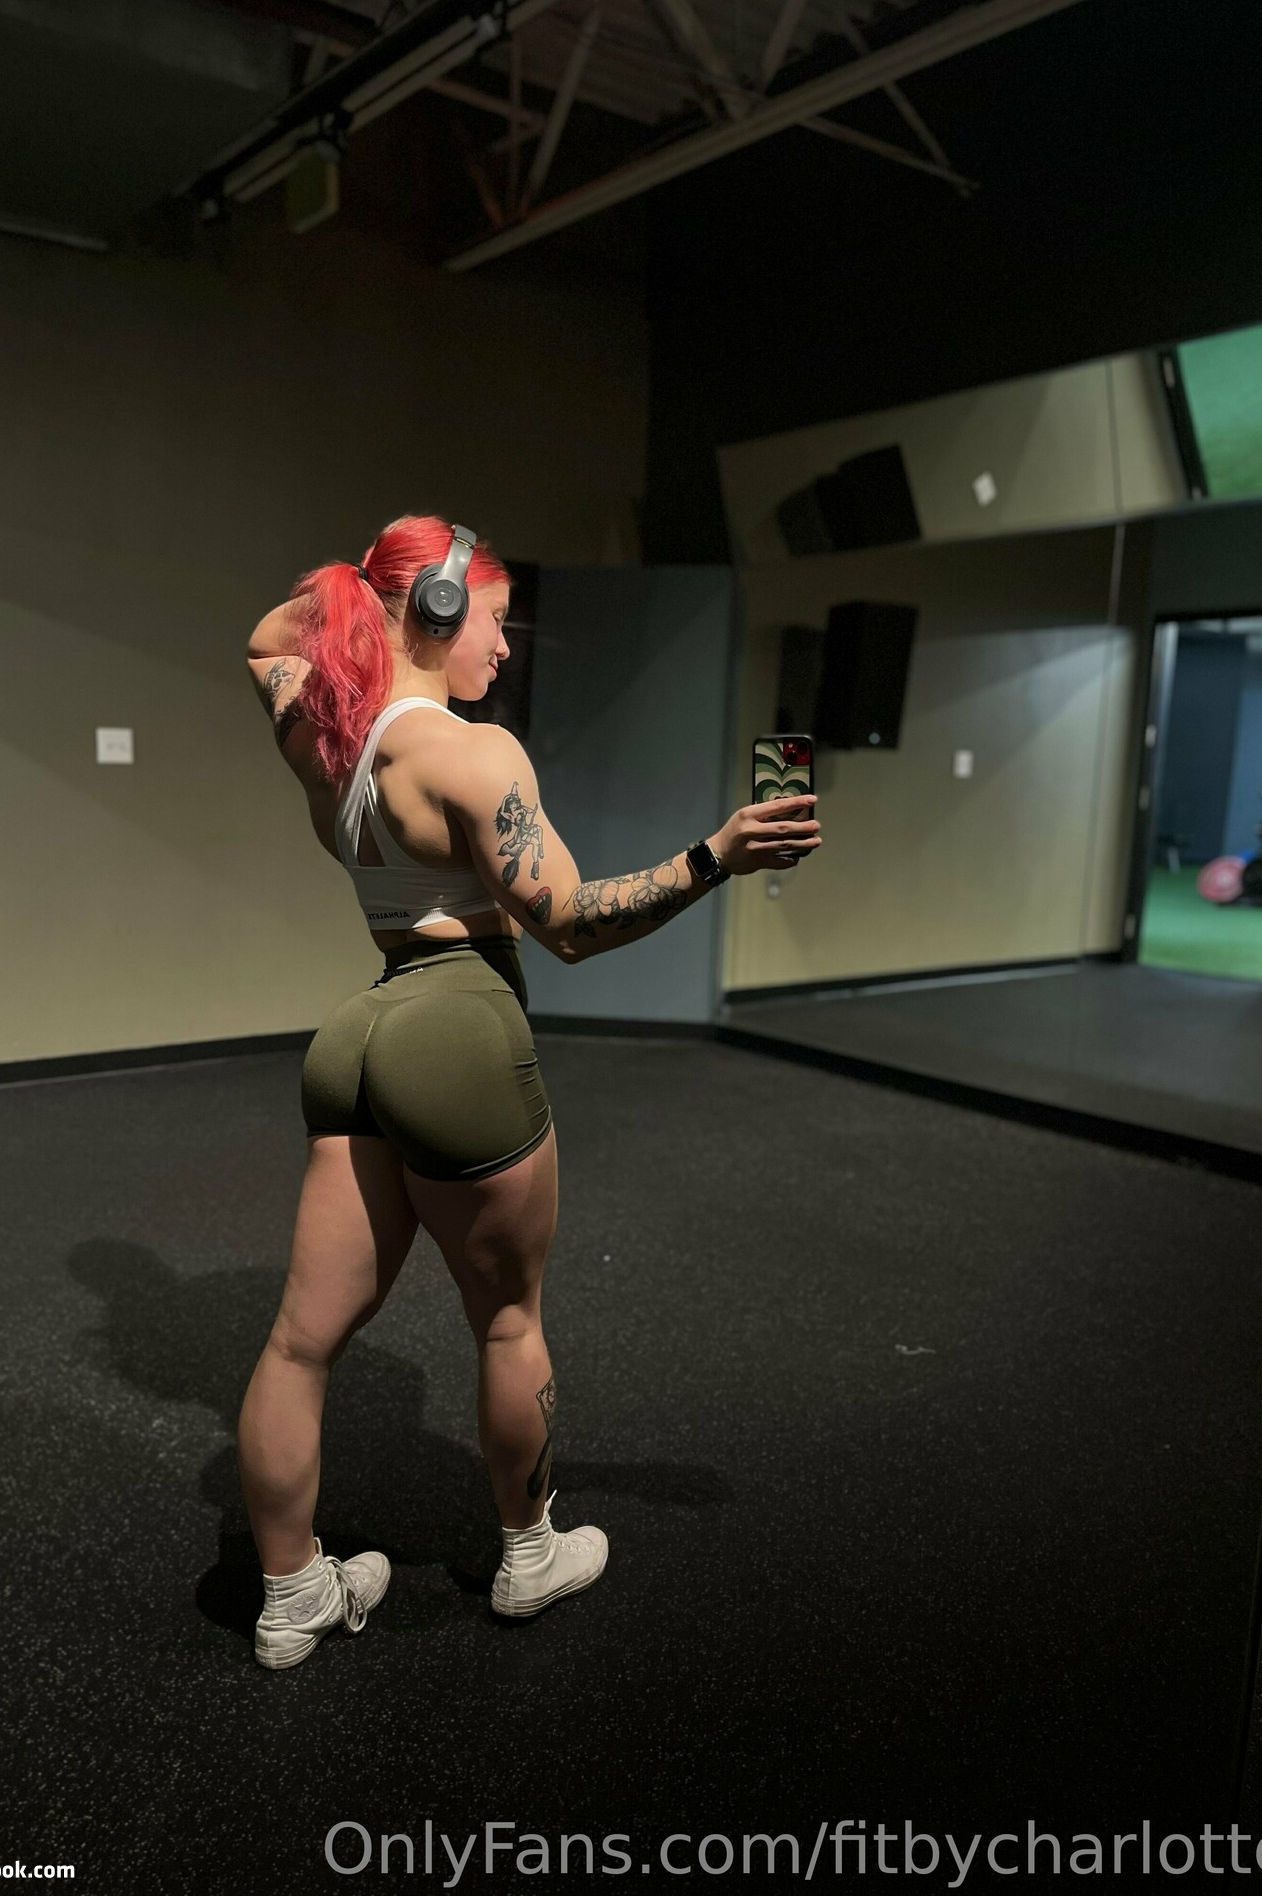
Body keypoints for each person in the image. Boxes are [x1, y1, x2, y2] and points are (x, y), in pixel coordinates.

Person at [235, 513, 822, 1668]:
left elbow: (267, 637)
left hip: (359, 1031)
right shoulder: (474, 754)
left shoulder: (322, 732)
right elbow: (572, 926)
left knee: (299, 1348)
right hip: (458, 1029)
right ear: (439, 610)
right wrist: (718, 854)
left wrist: (369, 593)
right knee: (507, 1320)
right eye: (493, 622)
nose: (504, 649)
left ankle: (293, 1594)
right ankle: (530, 1554)